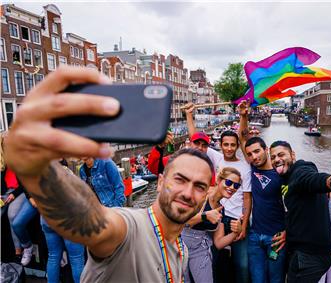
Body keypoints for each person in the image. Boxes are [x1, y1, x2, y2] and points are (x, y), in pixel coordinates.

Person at [3, 66, 215, 282]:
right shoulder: (128, 229)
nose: (188, 192)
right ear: (160, 182)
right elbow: (94, 222)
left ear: (207, 194)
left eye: (199, 186)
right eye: (180, 179)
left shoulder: (182, 250)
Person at [269, 140, 331, 283]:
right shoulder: (284, 179)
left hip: (309, 256)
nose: (276, 159)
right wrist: (289, 230)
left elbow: (312, 179)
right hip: (300, 251)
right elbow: (296, 210)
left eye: (281, 154)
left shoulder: (301, 169)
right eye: (272, 157)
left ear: (292, 155)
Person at [186, 103, 252, 283]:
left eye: (233, 145)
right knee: (215, 260)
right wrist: (189, 116)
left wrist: (244, 224)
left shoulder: (246, 165)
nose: (229, 148)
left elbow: (247, 198)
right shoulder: (218, 158)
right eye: (226, 145)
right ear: (220, 146)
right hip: (216, 216)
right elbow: (196, 142)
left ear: (238, 146)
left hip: (235, 219)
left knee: (242, 265)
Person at [238, 100, 286, 283]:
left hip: (276, 238)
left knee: (275, 280)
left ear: (266, 149)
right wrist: (243, 116)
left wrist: (287, 231)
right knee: (257, 280)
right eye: (249, 154)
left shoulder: (281, 173)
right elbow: (243, 138)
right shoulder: (253, 168)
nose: (254, 157)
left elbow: (295, 206)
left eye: (257, 152)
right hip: (254, 236)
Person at [183, 167, 243, 283]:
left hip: (200, 249)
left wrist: (236, 232)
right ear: (219, 180)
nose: (232, 188)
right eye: (229, 182)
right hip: (181, 245)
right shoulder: (201, 194)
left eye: (236, 186)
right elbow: (182, 220)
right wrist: (205, 216)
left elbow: (219, 243)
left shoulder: (221, 209)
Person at [1, 133, 30, 265]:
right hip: (5, 192)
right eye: (4, 144)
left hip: (19, 191)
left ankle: (20, 250)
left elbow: (25, 181)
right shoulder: (2, 159)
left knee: (12, 215)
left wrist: (14, 194)